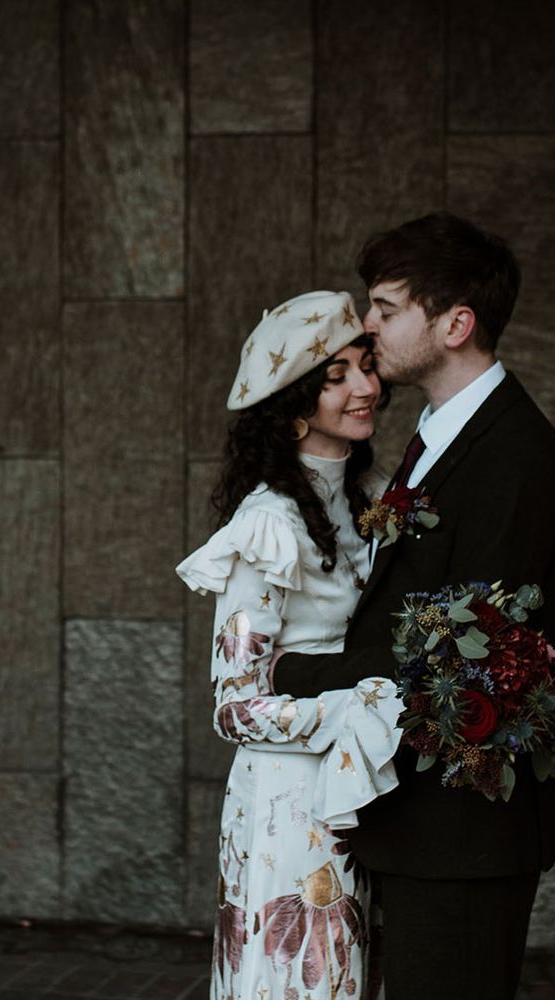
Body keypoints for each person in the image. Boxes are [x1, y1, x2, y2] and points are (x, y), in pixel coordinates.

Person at [271, 214, 555, 999]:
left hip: (463, 830)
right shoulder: (438, 432)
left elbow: (470, 655)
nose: (367, 325)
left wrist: (298, 672)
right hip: (414, 819)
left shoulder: (516, 456)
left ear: (455, 324)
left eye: (384, 307)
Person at [176, 290, 403, 1000]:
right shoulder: (268, 525)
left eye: (366, 366)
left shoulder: (371, 500)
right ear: (296, 406)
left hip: (357, 786)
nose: (366, 387)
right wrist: (354, 709)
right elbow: (234, 708)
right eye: (337, 377)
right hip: (288, 800)